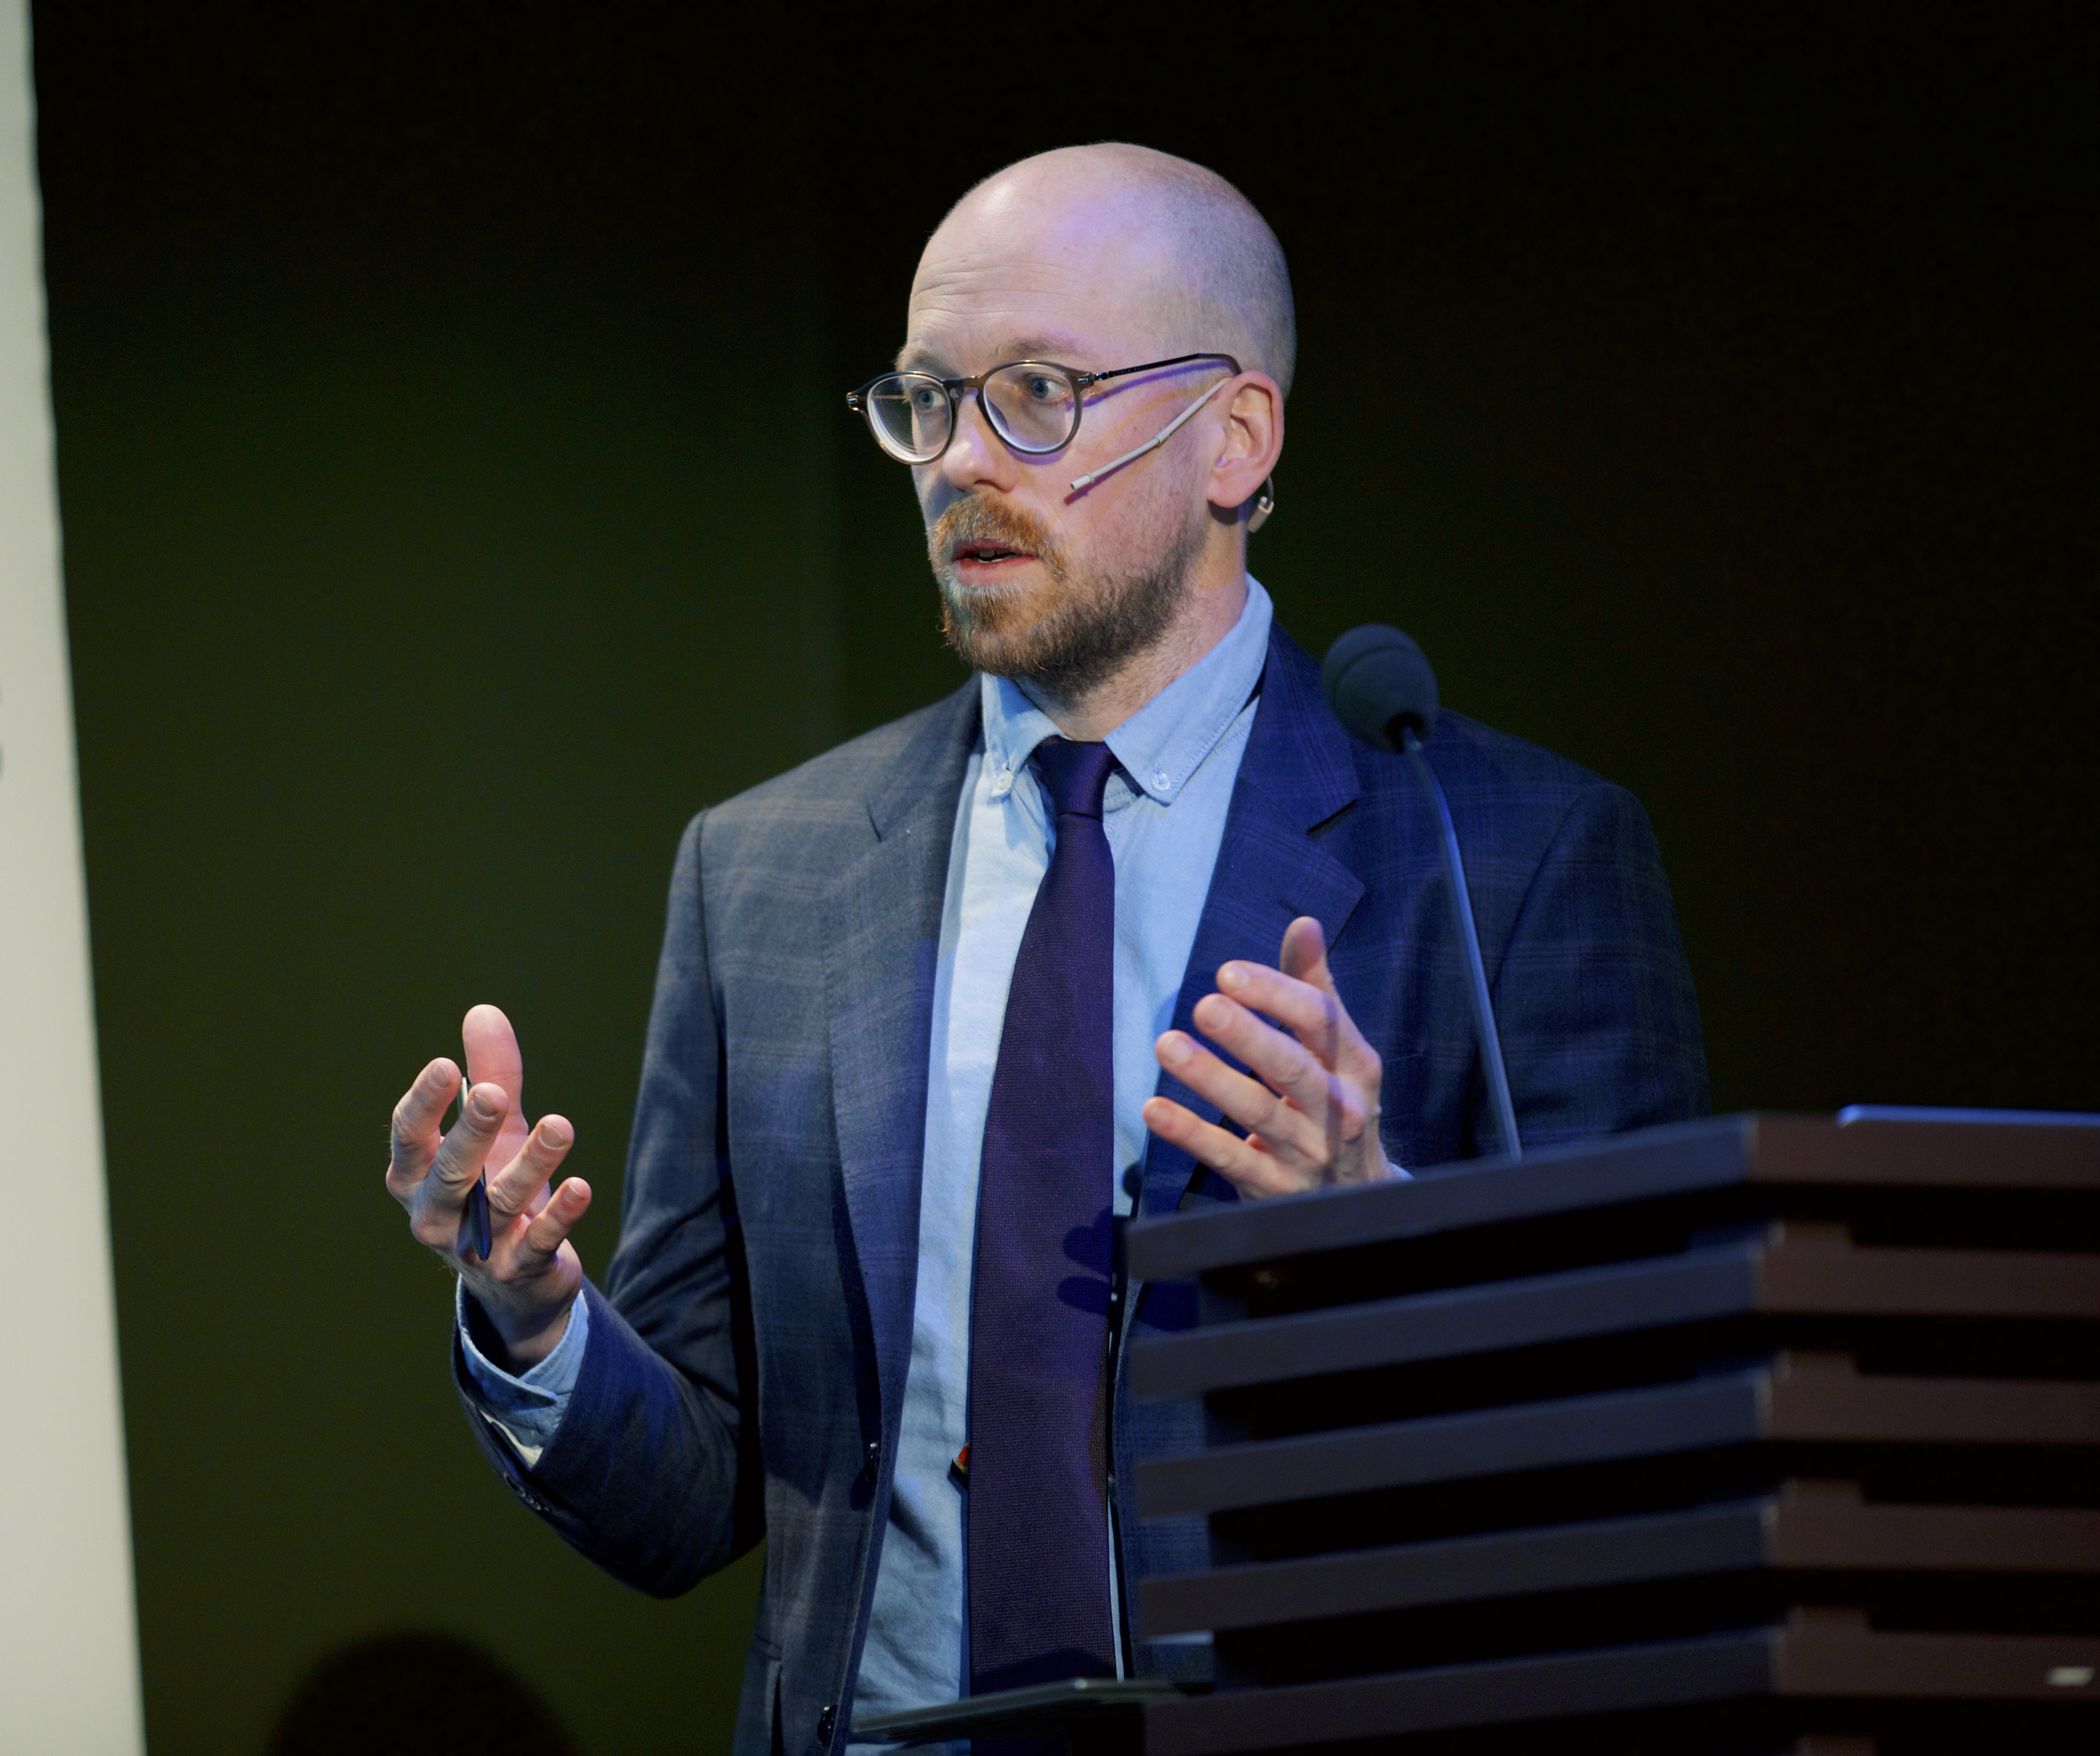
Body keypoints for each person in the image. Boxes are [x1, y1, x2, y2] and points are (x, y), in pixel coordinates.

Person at [382, 143, 1706, 1755]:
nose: (957, 462)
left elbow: (1649, 1450)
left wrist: (1384, 1237)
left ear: (1234, 437)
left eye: (1036, 395)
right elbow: (698, 1496)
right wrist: (534, 1323)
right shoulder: (769, 874)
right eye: (926, 400)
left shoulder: (1500, 850)